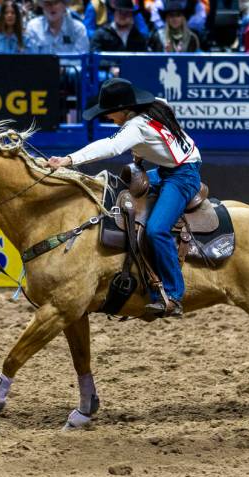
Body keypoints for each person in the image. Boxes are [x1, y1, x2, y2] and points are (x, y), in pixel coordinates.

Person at [47, 78, 202, 318]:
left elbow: (111, 146)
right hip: (171, 169)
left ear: (121, 110)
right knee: (119, 189)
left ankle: (172, 295)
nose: (108, 118)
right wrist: (142, 154)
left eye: (109, 114)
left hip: (182, 176)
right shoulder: (156, 106)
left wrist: (68, 160)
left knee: (156, 229)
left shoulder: (137, 126)